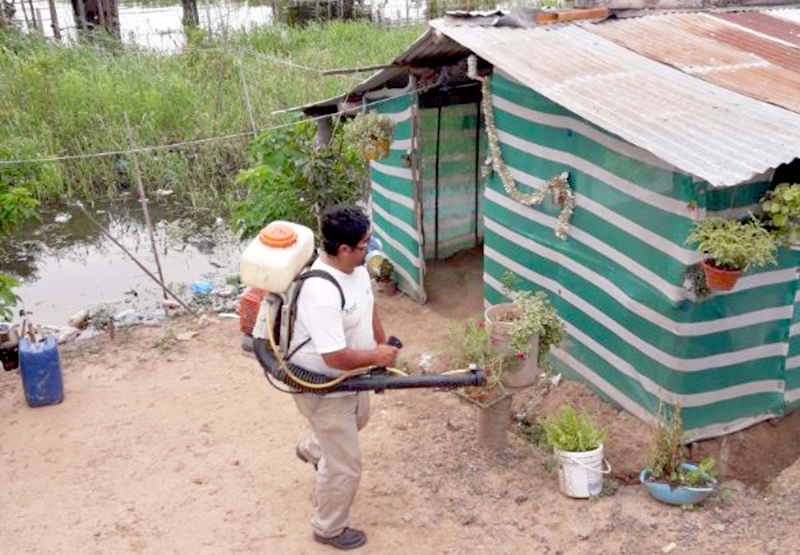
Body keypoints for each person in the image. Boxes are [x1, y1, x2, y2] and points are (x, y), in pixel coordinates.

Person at [288, 204, 398, 550]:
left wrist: (379, 345)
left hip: (353, 376)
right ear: (344, 249)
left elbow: (368, 307)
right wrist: (375, 356)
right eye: (366, 244)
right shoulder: (321, 292)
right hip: (324, 386)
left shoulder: (357, 270)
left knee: (359, 417)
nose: (372, 248)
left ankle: (312, 449)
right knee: (345, 466)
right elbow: (333, 357)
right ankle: (328, 528)